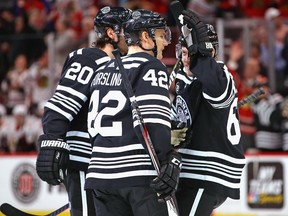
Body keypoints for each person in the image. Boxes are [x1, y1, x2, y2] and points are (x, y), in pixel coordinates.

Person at [35, 6, 132, 216]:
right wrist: (52, 139)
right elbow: (61, 103)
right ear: (111, 33)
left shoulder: (123, 66)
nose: (132, 36)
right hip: (83, 160)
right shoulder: (88, 58)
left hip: (108, 163)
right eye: (127, 30)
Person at [85, 9, 182, 216]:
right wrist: (169, 159)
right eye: (161, 36)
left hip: (99, 176)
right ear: (145, 37)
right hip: (138, 176)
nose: (166, 42)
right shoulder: (151, 66)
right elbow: (153, 122)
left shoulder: (103, 69)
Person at [170, 11, 246, 216]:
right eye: (184, 52)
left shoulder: (220, 74)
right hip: (189, 170)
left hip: (207, 170)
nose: (187, 59)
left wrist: (200, 55)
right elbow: (182, 122)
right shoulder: (184, 80)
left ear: (209, 53)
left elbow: (218, 93)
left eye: (192, 53)